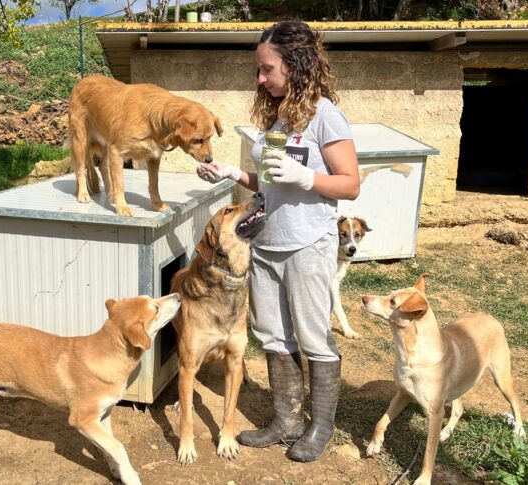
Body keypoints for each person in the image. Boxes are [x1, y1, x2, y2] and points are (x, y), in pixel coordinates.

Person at [196, 20, 360, 462]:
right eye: (259, 70)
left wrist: (309, 177)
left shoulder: (327, 116)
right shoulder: (279, 116)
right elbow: (269, 184)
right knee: (272, 335)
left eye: (267, 69)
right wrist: (235, 175)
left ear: (297, 65)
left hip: (307, 243)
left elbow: (350, 185)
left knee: (312, 336)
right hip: (266, 242)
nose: (260, 78)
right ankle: (286, 421)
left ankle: (319, 427)